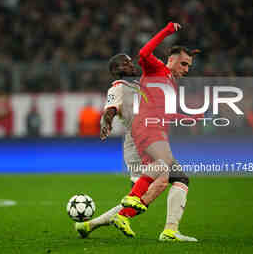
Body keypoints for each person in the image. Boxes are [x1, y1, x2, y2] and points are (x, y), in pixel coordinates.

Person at [75, 45, 200, 240]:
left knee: (166, 185)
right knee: (147, 194)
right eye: (125, 63)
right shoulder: (118, 87)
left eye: (130, 61)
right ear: (116, 69)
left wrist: (186, 117)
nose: (131, 64)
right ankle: (168, 231)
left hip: (151, 139)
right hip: (137, 144)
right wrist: (106, 123)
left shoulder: (139, 86)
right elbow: (110, 109)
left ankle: (91, 224)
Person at [110, 22, 201, 241]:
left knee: (176, 179)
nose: (186, 70)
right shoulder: (157, 68)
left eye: (189, 66)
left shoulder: (170, 83)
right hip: (148, 128)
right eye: (184, 64)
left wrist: (190, 119)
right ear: (172, 60)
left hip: (155, 129)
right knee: (163, 166)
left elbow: (167, 114)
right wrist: (167, 31)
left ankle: (165, 228)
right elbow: (143, 52)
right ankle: (133, 198)